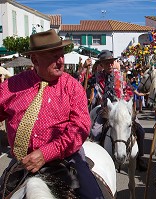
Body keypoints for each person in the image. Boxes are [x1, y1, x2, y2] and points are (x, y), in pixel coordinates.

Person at [0, 29, 104, 198]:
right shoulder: (11, 86)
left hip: (66, 158)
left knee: (94, 196)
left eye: (61, 55)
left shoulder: (72, 87)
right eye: (53, 56)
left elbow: (80, 128)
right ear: (35, 59)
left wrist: (46, 153)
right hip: (23, 162)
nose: (60, 61)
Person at [89, 50, 148, 171]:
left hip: (121, 106)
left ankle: (139, 158)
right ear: (102, 65)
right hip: (106, 108)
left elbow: (127, 89)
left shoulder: (120, 75)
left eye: (111, 62)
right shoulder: (98, 76)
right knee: (95, 132)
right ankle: (99, 156)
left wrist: (126, 102)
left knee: (140, 131)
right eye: (106, 63)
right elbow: (99, 92)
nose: (110, 65)